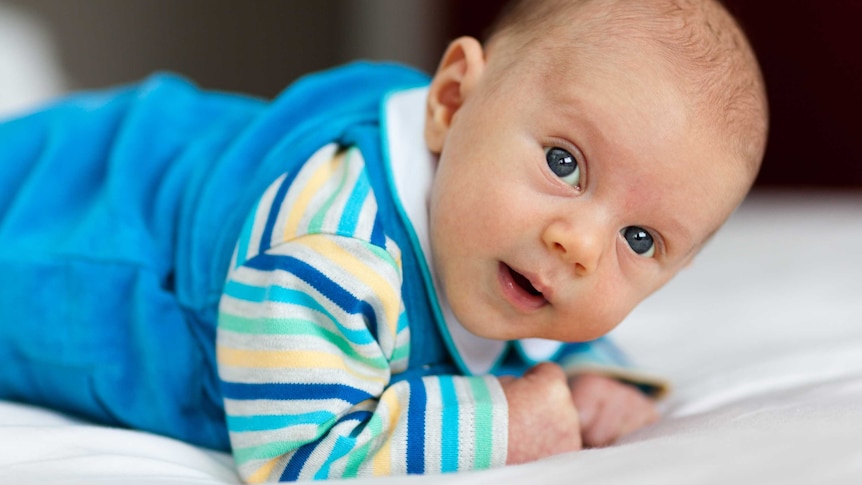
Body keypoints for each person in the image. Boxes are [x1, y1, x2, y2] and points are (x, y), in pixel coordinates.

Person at [0, 0, 767, 482]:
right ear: (453, 100)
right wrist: (508, 421)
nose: (581, 244)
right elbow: (300, 455)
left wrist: (594, 375)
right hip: (62, 216)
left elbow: (525, 331)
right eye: (565, 163)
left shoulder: (497, 215)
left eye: (640, 238)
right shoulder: (329, 255)